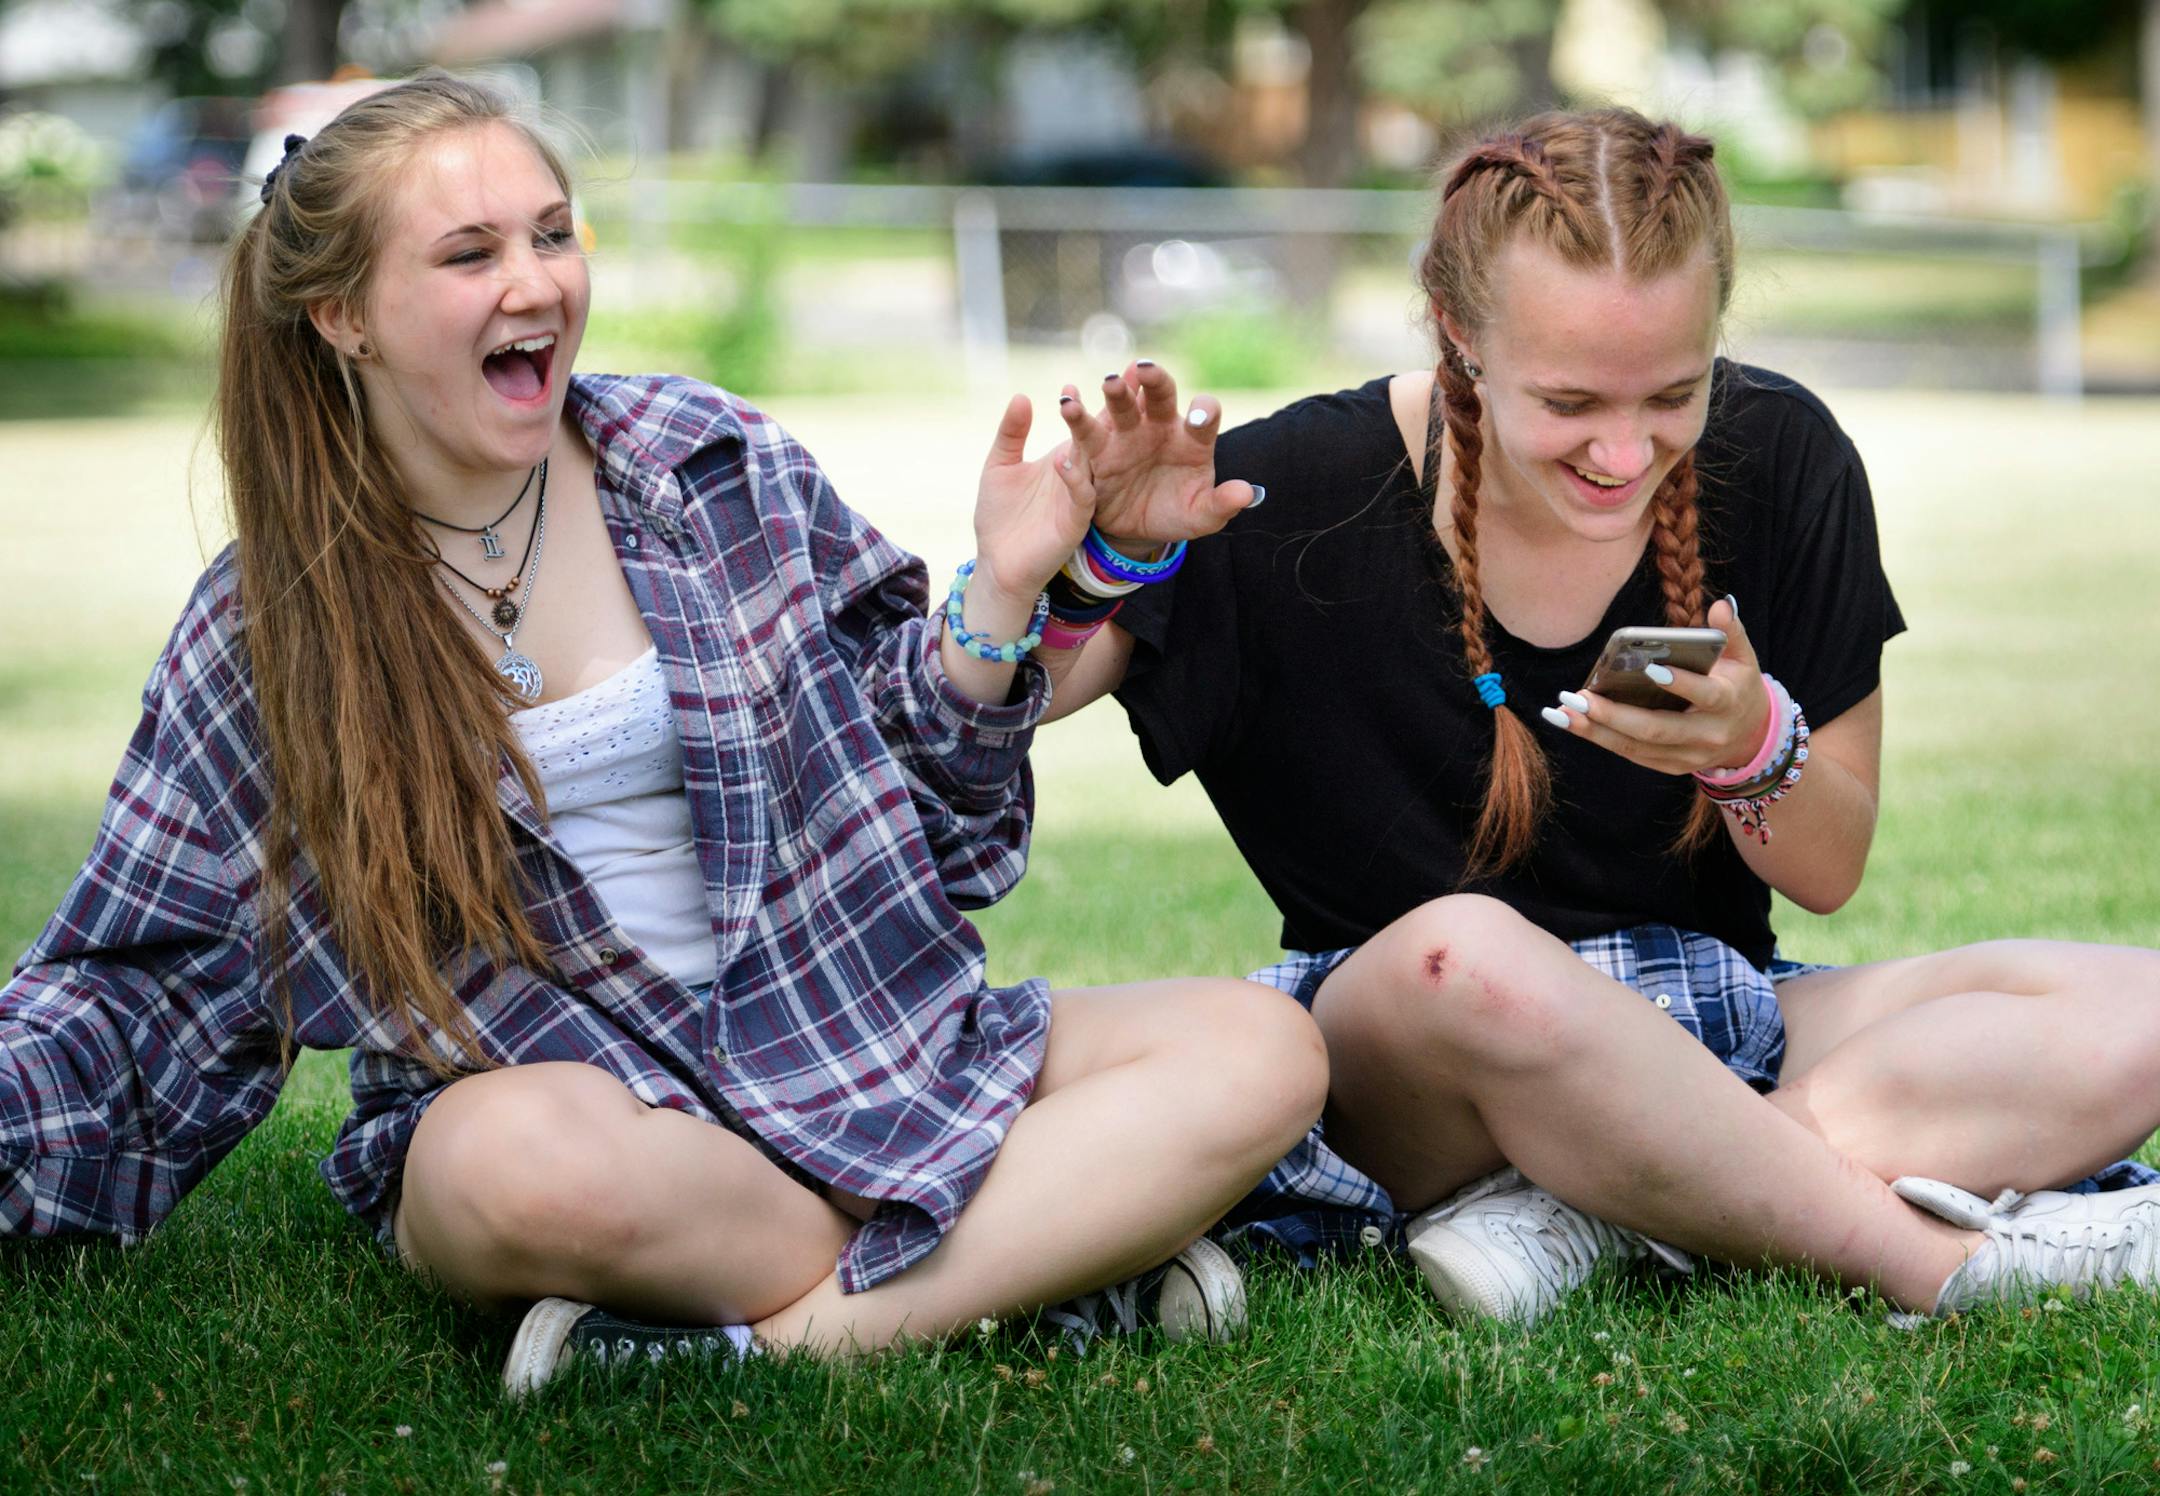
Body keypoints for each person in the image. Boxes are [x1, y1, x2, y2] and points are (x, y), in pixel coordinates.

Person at [0, 71, 1328, 1393]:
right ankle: (1053, 1251)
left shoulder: (705, 459)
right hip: (594, 1114)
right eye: (471, 254)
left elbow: (926, 813)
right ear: (343, 313)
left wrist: (1009, 590)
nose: (536, 283)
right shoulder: (272, 627)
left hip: (867, 1036)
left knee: (1263, 1049)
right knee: (492, 1174)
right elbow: (141, 987)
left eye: (553, 233)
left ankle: (779, 1336)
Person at [1026, 106, 2160, 1326]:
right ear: (1460, 333)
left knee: (2135, 1014)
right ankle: (1932, 1263)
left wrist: (1750, 749)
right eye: (1570, 401)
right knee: (1474, 955)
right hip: (1417, 1053)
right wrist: (1106, 560)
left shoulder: (1782, 454)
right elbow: (1019, 697)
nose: (1626, 453)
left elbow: (1828, 869)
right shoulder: (1287, 488)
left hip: (1702, 1011)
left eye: (1673, 393)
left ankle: (1589, 1211)